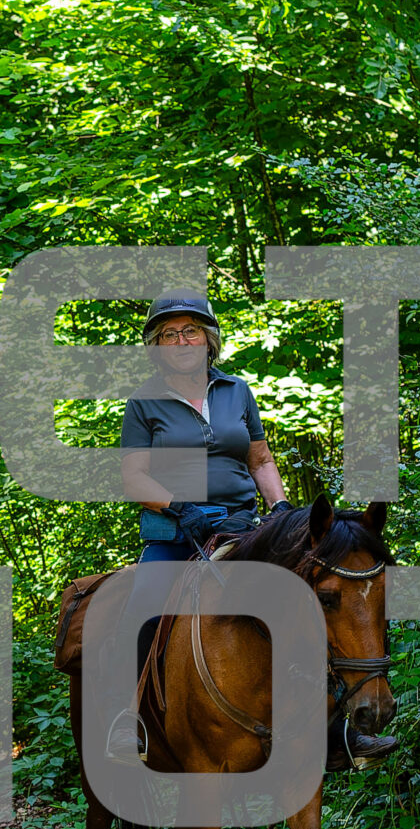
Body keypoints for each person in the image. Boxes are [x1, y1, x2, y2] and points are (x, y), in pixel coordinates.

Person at [106, 290, 290, 763]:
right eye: (169, 334)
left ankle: (333, 723)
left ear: (208, 339)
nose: (182, 341)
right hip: (177, 531)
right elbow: (133, 477)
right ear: (156, 346)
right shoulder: (143, 402)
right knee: (142, 608)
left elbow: (260, 460)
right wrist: (179, 506)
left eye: (190, 331)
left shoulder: (237, 391)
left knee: (306, 595)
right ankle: (129, 720)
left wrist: (281, 507)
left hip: (242, 527)